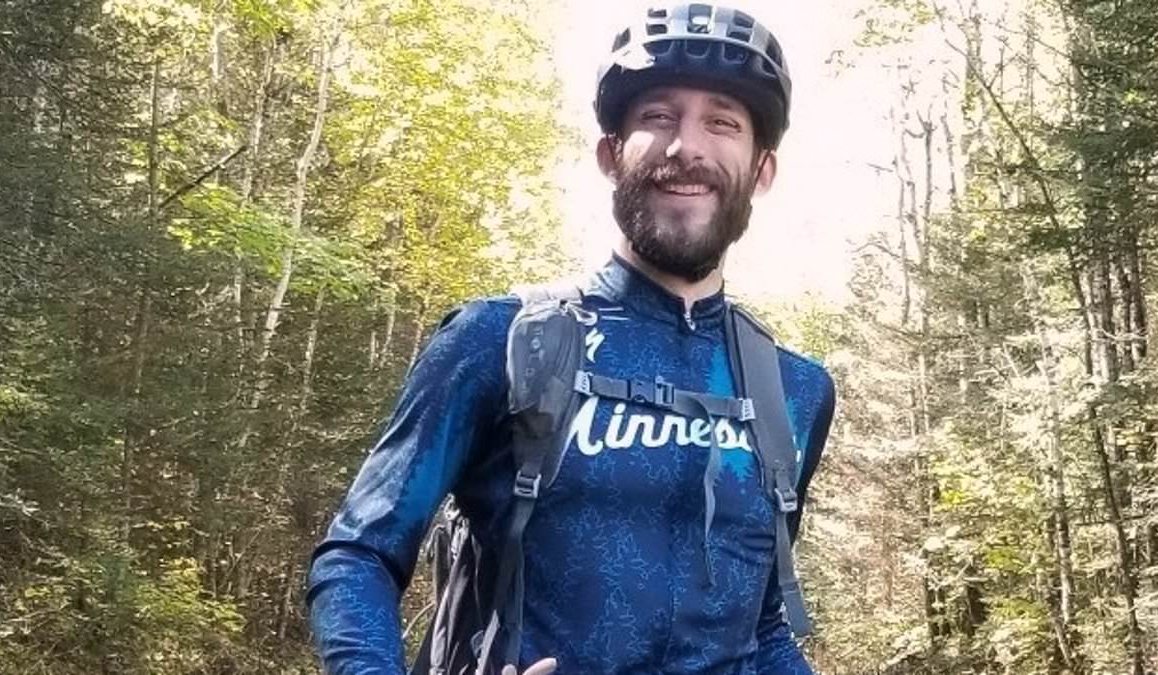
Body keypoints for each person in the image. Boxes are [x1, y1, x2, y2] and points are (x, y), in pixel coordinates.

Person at [306, 3, 836, 674]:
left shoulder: (793, 391)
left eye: (722, 122)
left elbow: (761, 624)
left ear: (762, 170)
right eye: (658, 116)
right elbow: (359, 554)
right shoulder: (500, 342)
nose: (687, 147)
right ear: (611, 155)